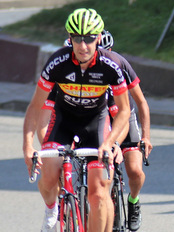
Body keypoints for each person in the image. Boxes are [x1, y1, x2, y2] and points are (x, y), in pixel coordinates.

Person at [22, 8, 131, 232]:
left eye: (89, 39)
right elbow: (35, 107)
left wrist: (109, 143)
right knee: (49, 174)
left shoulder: (110, 65)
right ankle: (52, 209)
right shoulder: (57, 63)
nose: (83, 46)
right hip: (64, 121)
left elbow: (124, 111)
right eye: (77, 39)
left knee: (99, 191)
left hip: (96, 123)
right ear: (70, 38)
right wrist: (27, 145)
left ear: (98, 37)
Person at [41, 29, 153, 231]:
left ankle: (134, 201)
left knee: (135, 171)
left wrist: (131, 140)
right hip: (95, 120)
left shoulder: (116, 65)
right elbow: (50, 119)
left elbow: (138, 104)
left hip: (122, 116)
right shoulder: (67, 78)